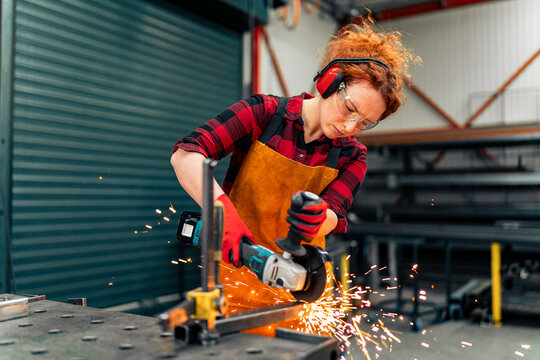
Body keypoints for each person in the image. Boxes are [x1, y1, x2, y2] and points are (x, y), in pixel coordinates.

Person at [171, 17, 417, 336]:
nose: (350, 126)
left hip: (303, 291)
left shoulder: (353, 154)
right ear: (329, 82)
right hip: (237, 283)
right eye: (349, 108)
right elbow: (186, 155)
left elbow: (334, 213)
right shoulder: (262, 114)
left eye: (365, 123)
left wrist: (319, 218)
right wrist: (223, 215)